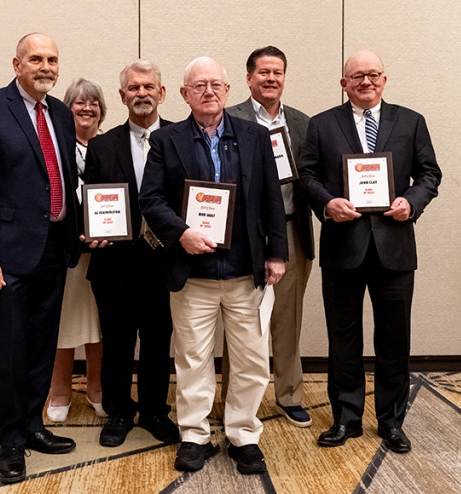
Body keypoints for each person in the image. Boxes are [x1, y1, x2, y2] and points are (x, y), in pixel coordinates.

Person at [139, 57, 287, 475]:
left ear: (228, 90)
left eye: (216, 84)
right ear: (184, 94)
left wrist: (276, 252)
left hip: (246, 273)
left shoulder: (256, 136)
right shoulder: (166, 141)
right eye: (198, 85)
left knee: (252, 359)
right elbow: (151, 200)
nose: (208, 91)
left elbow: (272, 198)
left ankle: (243, 434)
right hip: (193, 275)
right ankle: (194, 435)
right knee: (192, 359)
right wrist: (182, 232)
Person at [298, 50, 441, 454]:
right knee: (343, 338)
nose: (366, 81)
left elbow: (430, 173)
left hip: (394, 248)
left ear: (384, 79)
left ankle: (392, 421)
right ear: (344, 83)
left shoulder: (411, 121)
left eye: (373, 74)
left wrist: (411, 202)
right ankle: (346, 418)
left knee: (394, 339)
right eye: (357, 76)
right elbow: (306, 175)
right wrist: (327, 203)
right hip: (344, 247)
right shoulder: (323, 124)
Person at [0, 33, 82, 484]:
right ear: (16, 64)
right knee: (9, 350)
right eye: (35, 59)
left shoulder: (62, 114)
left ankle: (33, 426)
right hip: (4, 256)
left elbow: (65, 177)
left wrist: (80, 230)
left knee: (41, 347)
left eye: (52, 59)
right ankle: (10, 441)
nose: (45, 66)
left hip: (53, 249)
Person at [83, 60, 179, 447]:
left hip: (167, 261)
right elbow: (93, 196)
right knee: (117, 342)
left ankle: (156, 410)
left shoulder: (179, 137)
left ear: (162, 92)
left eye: (148, 86)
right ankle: (119, 412)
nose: (141, 93)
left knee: (159, 340)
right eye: (133, 88)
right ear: (122, 96)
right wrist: (92, 229)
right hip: (115, 263)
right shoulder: (102, 146)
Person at [224, 45, 315, 427]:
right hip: (244, 233)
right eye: (263, 72)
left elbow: (312, 177)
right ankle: (234, 397)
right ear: (249, 78)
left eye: (277, 72)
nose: (271, 79)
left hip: (292, 229)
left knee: (287, 317)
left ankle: (289, 393)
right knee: (238, 317)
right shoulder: (229, 119)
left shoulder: (302, 123)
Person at [46, 78, 107, 422]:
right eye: (78, 103)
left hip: (105, 253)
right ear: (65, 110)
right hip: (64, 253)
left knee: (100, 324)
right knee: (64, 323)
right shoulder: (55, 148)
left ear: (102, 110)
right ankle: (60, 389)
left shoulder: (112, 145)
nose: (86, 108)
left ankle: (97, 387)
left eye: (93, 103)